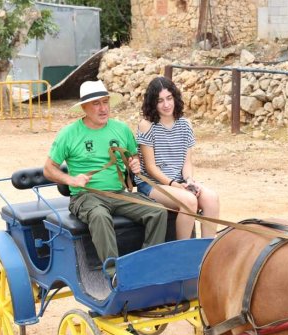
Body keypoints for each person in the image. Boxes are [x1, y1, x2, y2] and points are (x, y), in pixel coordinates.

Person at [43, 80, 167, 276]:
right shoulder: (69, 134)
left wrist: (134, 163)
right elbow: (49, 169)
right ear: (84, 108)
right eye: (96, 104)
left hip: (118, 193)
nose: (103, 108)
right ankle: (114, 274)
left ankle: (147, 266)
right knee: (100, 216)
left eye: (105, 102)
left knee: (158, 211)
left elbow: (133, 156)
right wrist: (72, 180)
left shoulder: (121, 129)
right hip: (85, 196)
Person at [136, 76, 219, 240]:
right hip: (152, 185)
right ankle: (183, 249)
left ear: (175, 98)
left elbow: (186, 162)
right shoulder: (146, 125)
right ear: (152, 103)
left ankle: (206, 249)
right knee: (189, 201)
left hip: (179, 182)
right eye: (160, 101)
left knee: (211, 198)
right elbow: (151, 168)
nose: (166, 105)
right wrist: (174, 184)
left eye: (169, 98)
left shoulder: (185, 125)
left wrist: (189, 181)